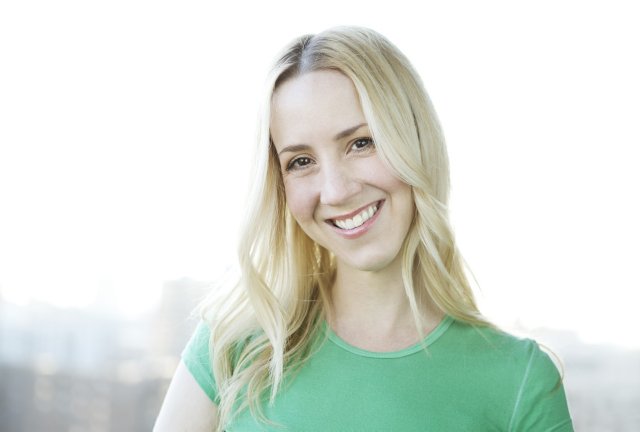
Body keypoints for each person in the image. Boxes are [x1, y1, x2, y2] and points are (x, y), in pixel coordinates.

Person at [154, 26, 573, 431]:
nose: (336, 191)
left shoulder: (519, 381)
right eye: (301, 161)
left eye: (361, 143)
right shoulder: (235, 347)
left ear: (415, 140)